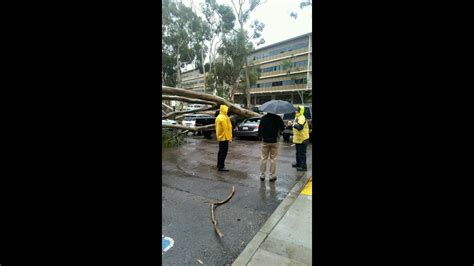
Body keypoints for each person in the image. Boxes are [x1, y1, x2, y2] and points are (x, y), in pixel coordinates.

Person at [258, 112, 285, 182]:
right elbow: (283, 128)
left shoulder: (263, 118)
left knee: (263, 158)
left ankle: (262, 175)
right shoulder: (278, 118)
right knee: (273, 159)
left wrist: (261, 137)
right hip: (275, 141)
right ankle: (272, 176)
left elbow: (260, 129)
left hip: (265, 141)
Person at [289, 106, 309, 171]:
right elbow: (295, 124)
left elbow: (299, 127)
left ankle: (303, 167)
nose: (296, 111)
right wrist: (292, 124)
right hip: (298, 138)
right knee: (298, 152)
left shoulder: (302, 117)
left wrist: (292, 124)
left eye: (297, 110)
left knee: (302, 153)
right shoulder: (297, 117)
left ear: (301, 111)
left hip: (303, 138)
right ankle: (298, 163)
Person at [215, 104, 233, 171]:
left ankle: (219, 165)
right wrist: (229, 138)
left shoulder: (219, 117)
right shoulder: (224, 118)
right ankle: (221, 166)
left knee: (220, 152)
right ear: (224, 110)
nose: (228, 111)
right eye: (227, 109)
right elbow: (226, 129)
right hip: (224, 137)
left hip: (220, 137)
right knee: (223, 152)